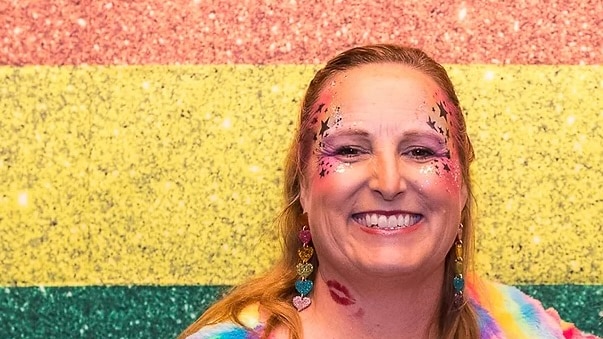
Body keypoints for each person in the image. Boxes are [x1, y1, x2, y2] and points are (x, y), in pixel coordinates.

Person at [178, 44, 599, 339]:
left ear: (463, 186)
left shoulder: (527, 329)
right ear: (303, 188)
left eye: (419, 150)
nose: (389, 182)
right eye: (349, 150)